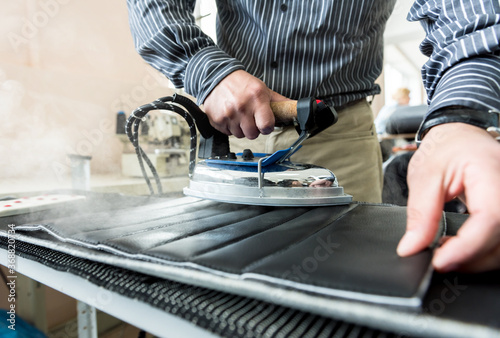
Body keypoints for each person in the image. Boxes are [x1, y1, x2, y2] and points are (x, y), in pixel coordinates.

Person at [127, 1, 500, 273]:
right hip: (235, 126)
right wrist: (204, 68)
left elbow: (466, 13)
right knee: (227, 272)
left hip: (338, 129)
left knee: (349, 275)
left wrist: (458, 118)